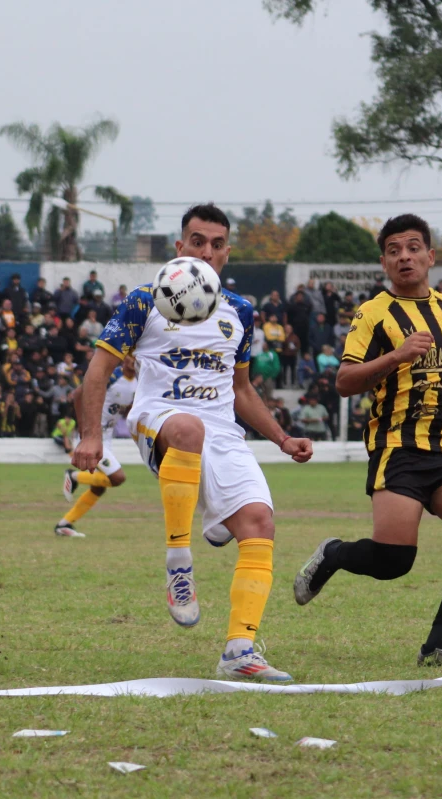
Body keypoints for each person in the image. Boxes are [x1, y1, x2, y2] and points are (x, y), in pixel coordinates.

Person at [73, 204, 313, 683]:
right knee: (188, 429)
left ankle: (239, 650)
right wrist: (92, 435)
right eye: (197, 241)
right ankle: (178, 564)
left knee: (260, 522)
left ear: (227, 252)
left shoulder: (241, 311)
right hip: (158, 421)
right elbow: (97, 372)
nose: (207, 250)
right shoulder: (145, 299)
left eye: (217, 243)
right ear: (179, 247)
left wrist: (283, 437)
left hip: (222, 432)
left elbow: (242, 390)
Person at [294, 214, 442, 671]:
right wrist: (398, 355)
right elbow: (345, 381)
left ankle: (439, 644)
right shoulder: (373, 313)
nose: (404, 256)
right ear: (384, 262)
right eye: (393, 250)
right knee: (394, 561)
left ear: (430, 256)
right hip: (399, 448)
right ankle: (334, 554)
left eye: (412, 247)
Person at [56, 356, 138, 537]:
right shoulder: (112, 377)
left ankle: (65, 524)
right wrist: (84, 431)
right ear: (124, 359)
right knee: (117, 478)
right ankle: (74, 476)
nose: (134, 359)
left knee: (99, 487)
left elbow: (125, 407)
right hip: (93, 436)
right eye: (131, 355)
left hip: (107, 438)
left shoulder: (138, 380)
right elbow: (78, 394)